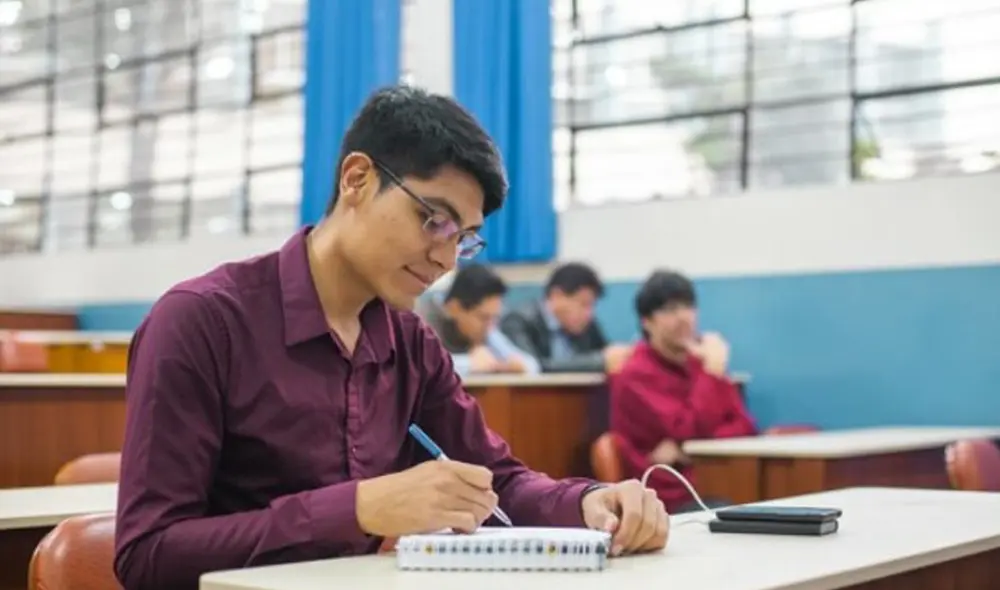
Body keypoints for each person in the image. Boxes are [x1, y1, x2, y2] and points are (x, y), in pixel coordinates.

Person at [114, 86, 668, 590]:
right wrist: (355, 508)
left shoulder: (411, 343)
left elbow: (495, 482)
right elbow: (149, 556)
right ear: (356, 179)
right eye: (434, 220)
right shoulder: (201, 323)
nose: (446, 259)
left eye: (465, 239)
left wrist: (592, 502)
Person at [610, 270, 757, 514]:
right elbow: (687, 428)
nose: (683, 317)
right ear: (647, 321)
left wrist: (690, 451)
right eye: (669, 309)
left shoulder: (700, 363)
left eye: (688, 306)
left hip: (712, 481)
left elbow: (745, 427)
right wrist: (712, 374)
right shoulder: (635, 374)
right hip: (667, 498)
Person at [500, 262, 632, 373]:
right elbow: (532, 367)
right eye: (584, 304)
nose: (588, 313)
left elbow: (608, 356)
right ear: (556, 296)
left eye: (592, 306)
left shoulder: (587, 325)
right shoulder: (518, 321)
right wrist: (599, 362)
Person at [415, 263, 540, 376]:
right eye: (484, 317)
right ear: (455, 308)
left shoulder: (487, 328)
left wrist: (512, 366)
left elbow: (531, 365)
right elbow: (417, 366)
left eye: (494, 317)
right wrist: (470, 364)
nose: (490, 325)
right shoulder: (420, 320)